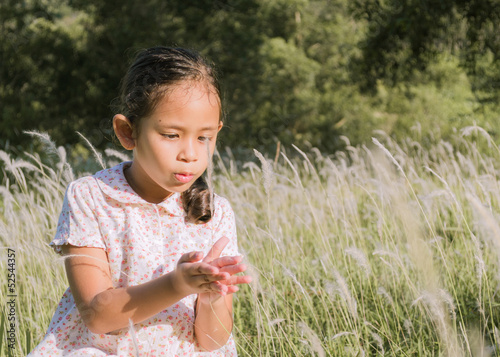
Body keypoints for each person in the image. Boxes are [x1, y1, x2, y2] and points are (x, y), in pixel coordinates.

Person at [30, 46, 251, 356]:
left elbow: (213, 341)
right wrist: (178, 285)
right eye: (171, 135)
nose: (190, 153)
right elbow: (97, 314)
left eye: (203, 137)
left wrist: (211, 296)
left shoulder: (215, 213)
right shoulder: (92, 197)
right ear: (127, 132)